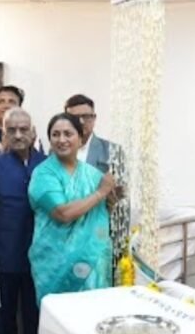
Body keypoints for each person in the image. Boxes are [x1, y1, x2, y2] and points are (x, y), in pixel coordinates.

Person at [0, 108, 45, 334]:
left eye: (24, 129)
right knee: (5, 317)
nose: (19, 135)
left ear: (33, 132)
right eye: (12, 129)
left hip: (41, 256)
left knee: (35, 316)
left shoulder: (47, 165)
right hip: (4, 254)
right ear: (3, 132)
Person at [28, 113, 114, 302]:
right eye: (55, 134)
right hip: (56, 265)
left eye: (68, 134)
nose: (61, 140)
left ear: (80, 139)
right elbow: (63, 213)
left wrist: (112, 197)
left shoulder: (93, 174)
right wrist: (101, 193)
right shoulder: (43, 174)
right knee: (60, 316)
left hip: (92, 260)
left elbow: (102, 212)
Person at [64, 94, 130, 268]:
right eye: (74, 118)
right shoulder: (57, 150)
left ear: (94, 118)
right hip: (66, 235)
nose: (81, 122)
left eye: (86, 117)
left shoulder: (112, 151)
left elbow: (122, 200)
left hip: (99, 233)